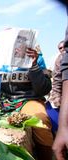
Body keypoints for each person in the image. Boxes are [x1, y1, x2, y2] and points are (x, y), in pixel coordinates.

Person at [0, 42, 53, 159]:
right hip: (3, 102)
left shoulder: (36, 57)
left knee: (41, 121)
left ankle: (46, 156)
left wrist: (34, 65)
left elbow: (44, 89)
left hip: (28, 100)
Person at [52, 2, 68, 160]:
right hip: (60, 102)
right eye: (61, 48)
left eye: (65, 48)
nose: (63, 50)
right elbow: (57, 86)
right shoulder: (60, 62)